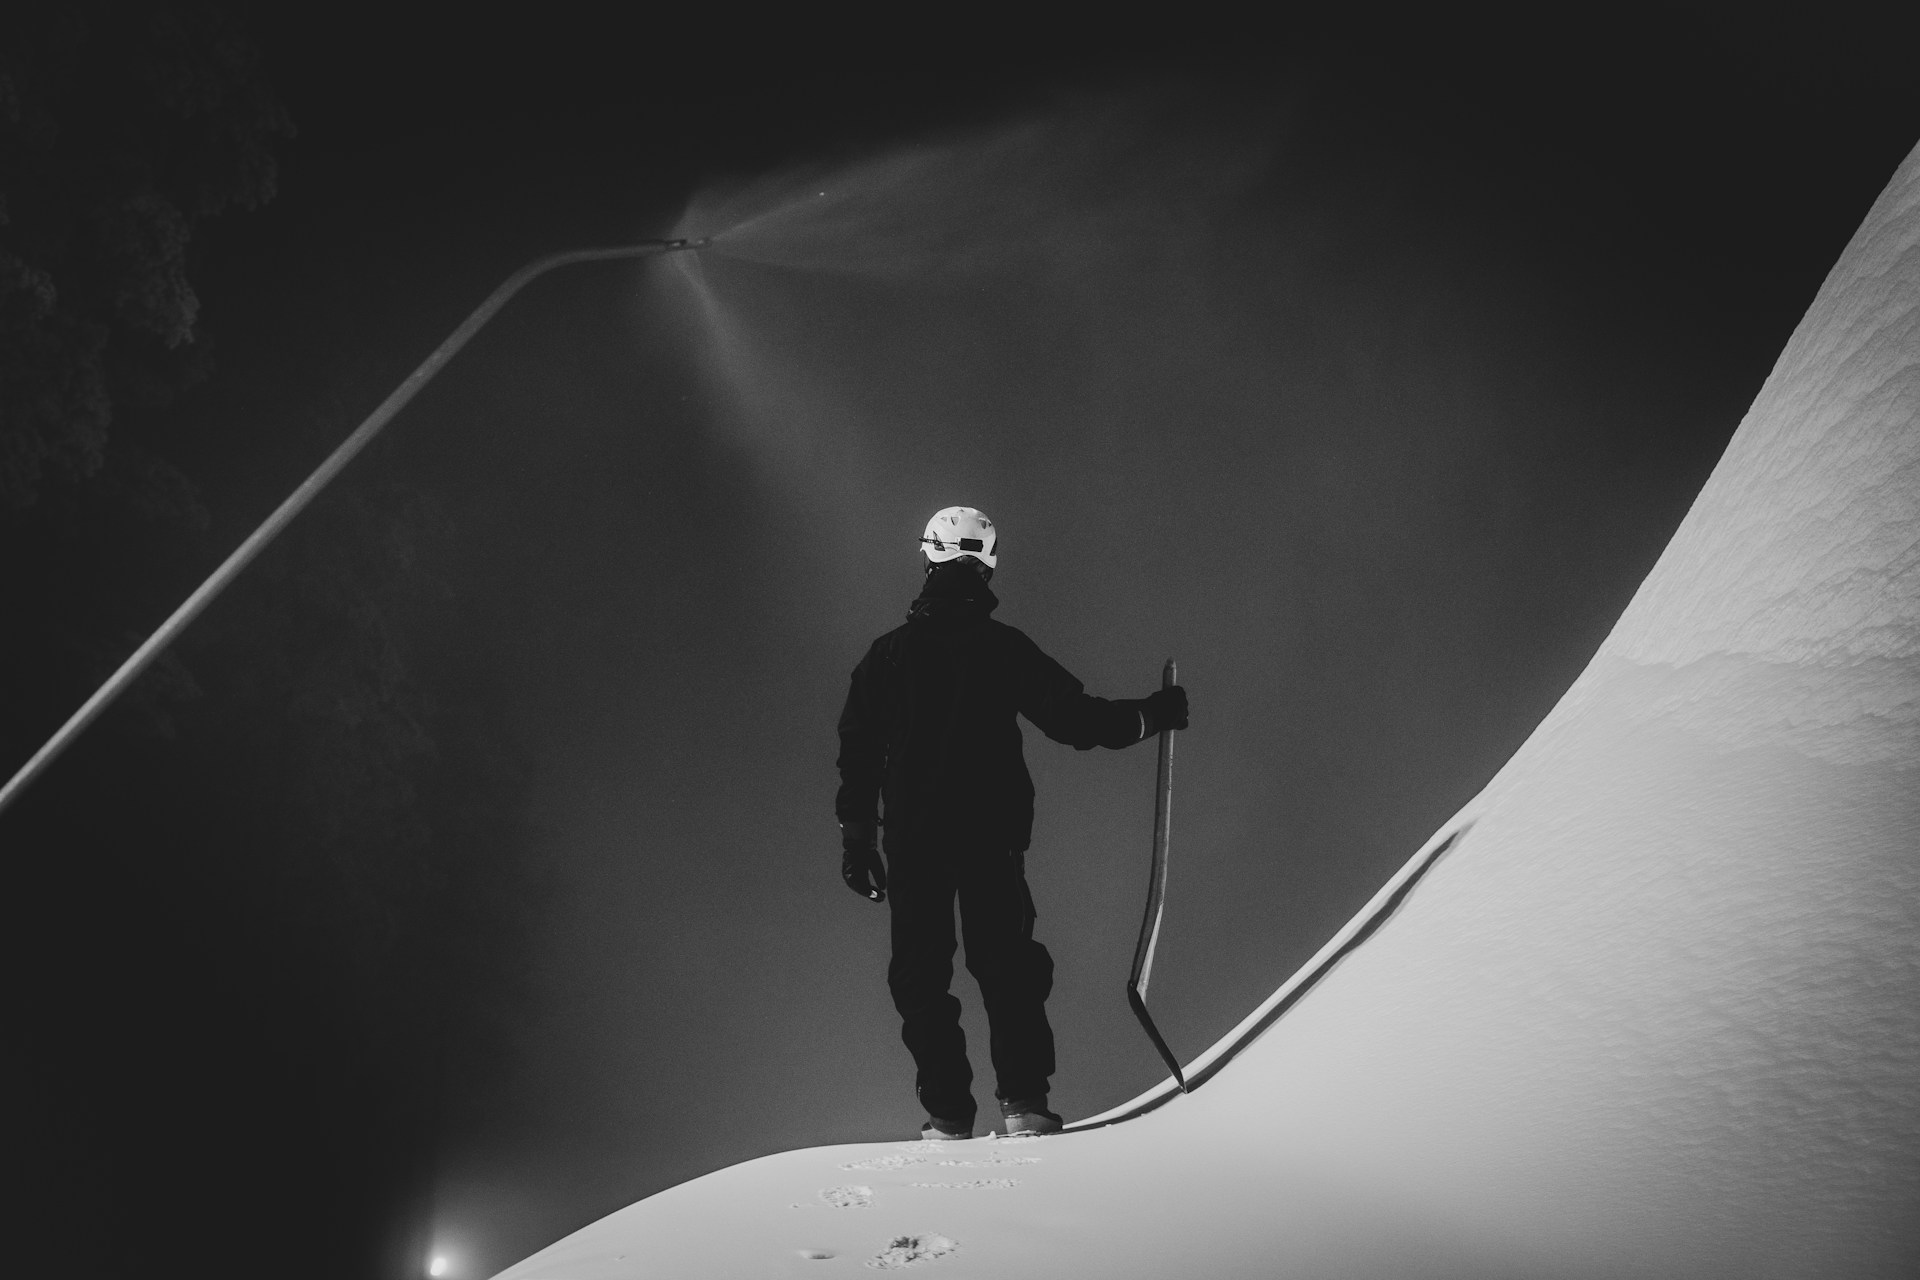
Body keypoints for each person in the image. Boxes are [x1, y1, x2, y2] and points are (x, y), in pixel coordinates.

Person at [835, 506, 1190, 1140]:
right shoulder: (999, 647)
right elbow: (1076, 720)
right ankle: (1024, 1105)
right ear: (987, 563)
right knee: (1007, 967)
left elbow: (857, 751)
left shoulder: (886, 657)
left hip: (914, 842)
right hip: (990, 840)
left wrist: (857, 840)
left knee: (920, 975)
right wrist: (1150, 716)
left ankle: (947, 1117)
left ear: (928, 558)